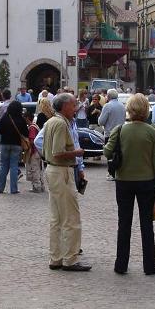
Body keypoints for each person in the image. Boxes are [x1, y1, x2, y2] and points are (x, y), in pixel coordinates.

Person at [103, 94, 155, 275]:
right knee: (147, 224)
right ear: (146, 110)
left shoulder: (120, 129)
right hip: (146, 182)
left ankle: (121, 264)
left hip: (123, 182)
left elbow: (107, 152)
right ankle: (149, 265)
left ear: (129, 109)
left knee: (124, 223)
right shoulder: (152, 132)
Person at [42, 94, 89, 272]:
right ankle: (70, 259)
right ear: (63, 107)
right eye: (73, 105)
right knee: (71, 218)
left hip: (53, 170)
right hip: (61, 171)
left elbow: (45, 148)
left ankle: (56, 258)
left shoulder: (52, 121)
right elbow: (57, 152)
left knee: (56, 218)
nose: (76, 107)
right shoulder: (61, 123)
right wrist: (77, 153)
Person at [0, 100, 28, 194]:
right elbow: (25, 133)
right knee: (14, 166)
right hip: (16, 144)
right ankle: (14, 189)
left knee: (3, 166)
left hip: (4, 144)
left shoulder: (5, 117)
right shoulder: (21, 119)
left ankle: (0, 188)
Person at [24, 111, 44, 193]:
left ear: (27, 118)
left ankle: (36, 186)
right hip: (39, 151)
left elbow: (32, 141)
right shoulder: (36, 126)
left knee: (34, 169)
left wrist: (26, 143)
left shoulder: (31, 128)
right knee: (39, 169)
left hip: (34, 151)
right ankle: (41, 186)